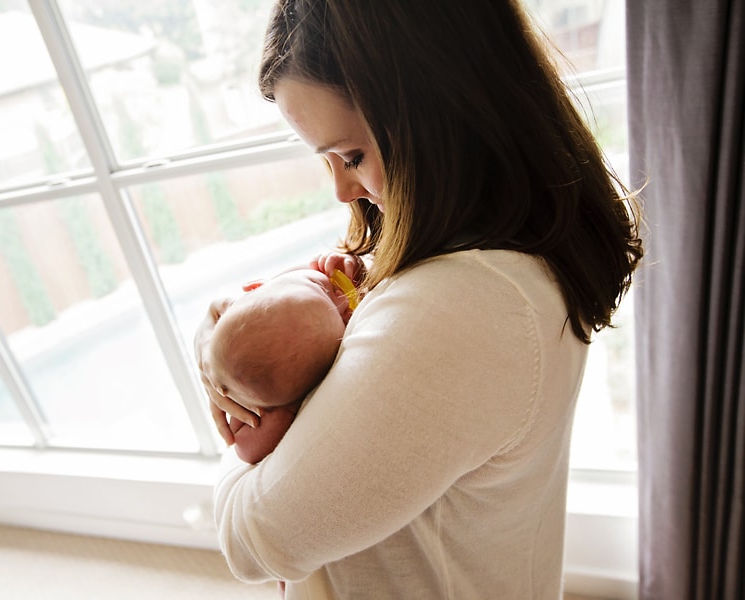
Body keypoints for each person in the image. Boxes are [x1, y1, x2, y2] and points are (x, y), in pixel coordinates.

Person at [195, 1, 643, 598]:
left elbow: (253, 536)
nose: (339, 189)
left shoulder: (461, 308)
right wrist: (221, 344)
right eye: (326, 160)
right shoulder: (486, 253)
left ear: (440, 112)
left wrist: (251, 412)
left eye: (351, 156)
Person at [204, 264, 360, 464]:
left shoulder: (287, 295)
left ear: (257, 286)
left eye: (318, 284)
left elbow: (313, 268)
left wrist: (334, 261)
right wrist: (283, 414)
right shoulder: (256, 406)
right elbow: (245, 450)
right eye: (343, 319)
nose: (343, 297)